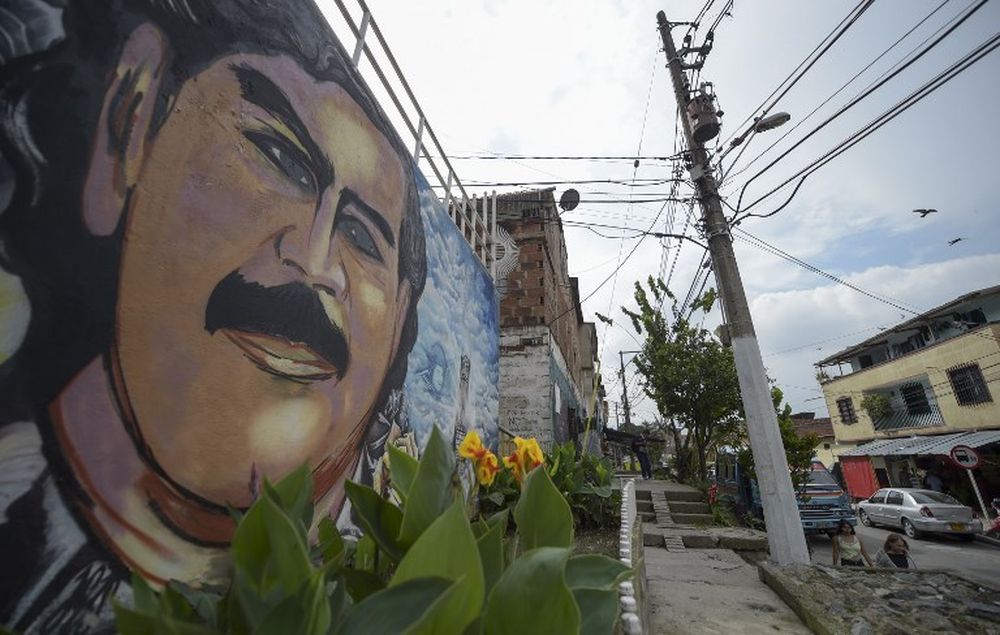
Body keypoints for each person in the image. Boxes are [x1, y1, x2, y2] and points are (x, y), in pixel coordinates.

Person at [0, 0, 427, 630]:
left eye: (364, 239)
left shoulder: (379, 572)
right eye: (278, 157)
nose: (315, 262)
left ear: (399, 329)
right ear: (131, 120)